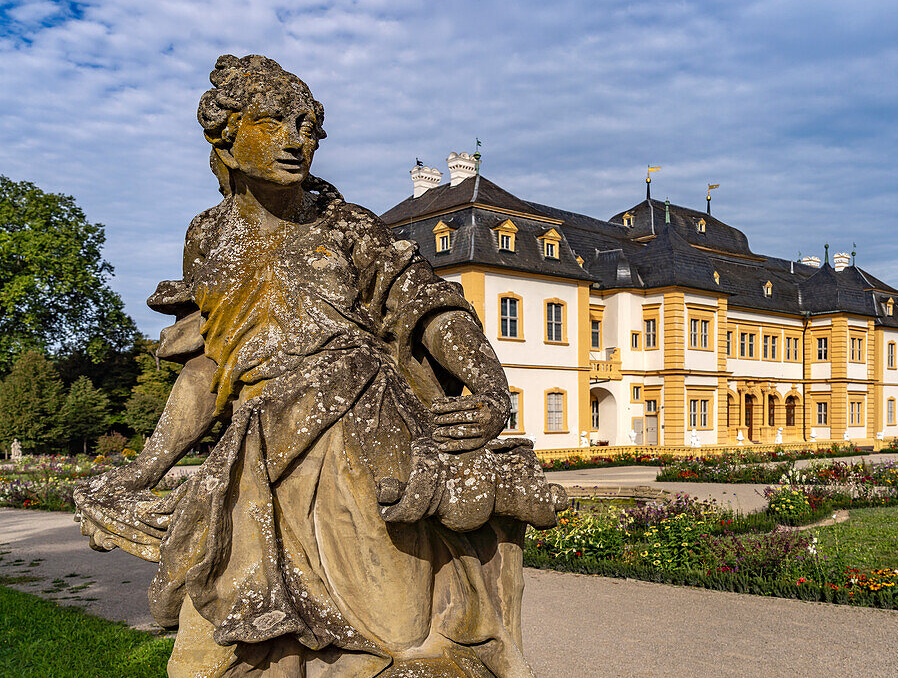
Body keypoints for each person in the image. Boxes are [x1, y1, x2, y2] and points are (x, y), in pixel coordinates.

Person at [76, 54, 564, 678]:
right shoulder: (209, 239)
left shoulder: (351, 227)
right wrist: (145, 469)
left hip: (361, 431)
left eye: (308, 126)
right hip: (255, 450)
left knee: (398, 634)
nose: (297, 140)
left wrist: (492, 390)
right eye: (274, 121)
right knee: (220, 644)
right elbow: (209, 371)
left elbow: (433, 310)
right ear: (226, 136)